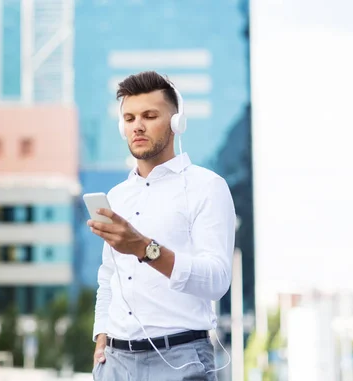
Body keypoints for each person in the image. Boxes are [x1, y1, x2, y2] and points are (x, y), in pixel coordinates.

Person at [88, 71, 235, 380]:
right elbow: (108, 277)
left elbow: (218, 280)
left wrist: (144, 248)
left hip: (179, 359)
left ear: (175, 122)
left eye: (149, 115)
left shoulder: (207, 186)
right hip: (114, 363)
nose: (137, 125)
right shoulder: (117, 196)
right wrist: (101, 332)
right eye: (129, 118)